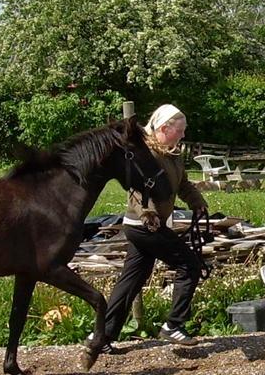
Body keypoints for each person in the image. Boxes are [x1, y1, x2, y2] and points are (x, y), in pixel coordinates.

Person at [89, 104, 208, 351]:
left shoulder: (172, 153)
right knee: (189, 265)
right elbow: (134, 189)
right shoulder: (145, 153)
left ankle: (101, 337)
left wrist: (198, 203)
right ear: (164, 128)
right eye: (180, 130)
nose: (183, 135)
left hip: (147, 227)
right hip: (144, 226)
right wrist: (147, 213)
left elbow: (183, 184)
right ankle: (173, 326)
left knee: (132, 279)